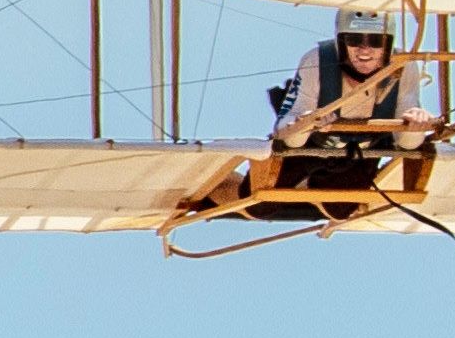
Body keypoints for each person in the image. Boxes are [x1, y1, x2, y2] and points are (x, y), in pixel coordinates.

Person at [171, 15, 418, 220]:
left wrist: (416, 127)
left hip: (359, 149)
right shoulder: (317, 61)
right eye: (355, 41)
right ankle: (223, 184)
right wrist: (305, 125)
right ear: (341, 43)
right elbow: (288, 132)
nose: (365, 50)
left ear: (388, 45)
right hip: (309, 144)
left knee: (340, 209)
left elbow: (406, 142)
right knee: (260, 203)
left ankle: (310, 185)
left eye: (375, 42)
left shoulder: (402, 67)